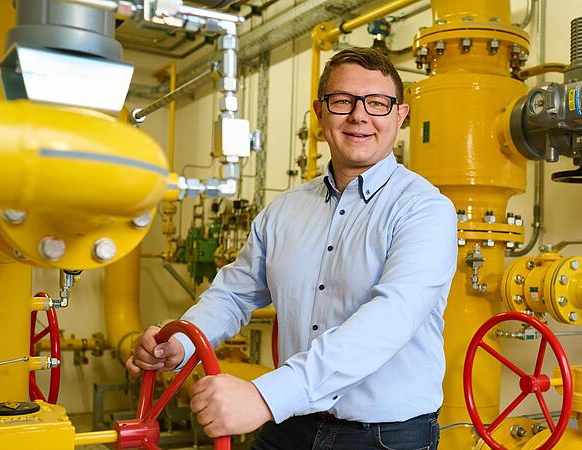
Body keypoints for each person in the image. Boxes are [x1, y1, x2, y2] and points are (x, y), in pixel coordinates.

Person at [126, 47, 457, 450]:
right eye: (342, 101)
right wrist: (182, 344)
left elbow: (390, 319)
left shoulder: (424, 209)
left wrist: (266, 396)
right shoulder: (283, 210)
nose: (359, 116)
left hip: (386, 435)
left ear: (400, 116)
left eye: (377, 104)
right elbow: (233, 294)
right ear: (320, 112)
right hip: (294, 420)